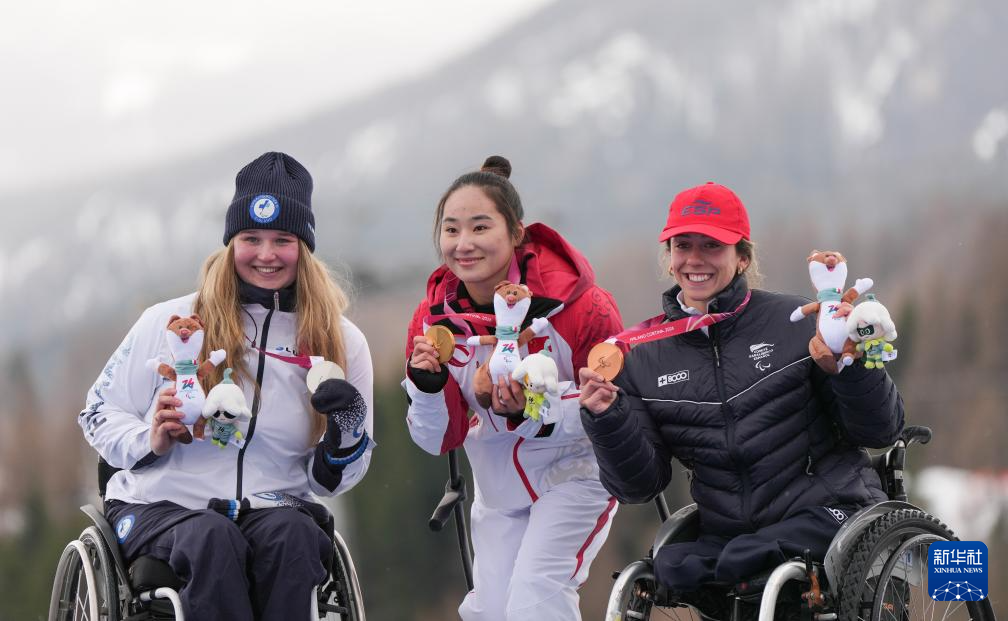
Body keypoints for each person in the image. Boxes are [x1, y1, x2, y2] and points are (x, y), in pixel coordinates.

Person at [78, 152, 375, 620]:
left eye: (282, 240)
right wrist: (149, 439)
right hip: (164, 504)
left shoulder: (341, 342)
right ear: (231, 242)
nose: (266, 254)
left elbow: (333, 479)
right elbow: (96, 412)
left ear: (304, 247)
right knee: (212, 539)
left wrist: (345, 435)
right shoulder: (171, 322)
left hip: (275, 507)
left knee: (294, 538)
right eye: (251, 238)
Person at [579, 182, 904, 604]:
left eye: (712, 246)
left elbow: (880, 430)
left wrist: (848, 367)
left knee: (746, 558)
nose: (695, 259)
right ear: (669, 259)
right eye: (682, 245)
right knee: (673, 564)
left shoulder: (796, 322)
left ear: (743, 257)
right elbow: (639, 486)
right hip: (729, 534)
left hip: (826, 511)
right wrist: (608, 419)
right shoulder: (642, 357)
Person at [403, 156, 623, 620]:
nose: (464, 244)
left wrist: (532, 409)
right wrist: (428, 387)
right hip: (498, 491)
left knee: (535, 596)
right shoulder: (432, 322)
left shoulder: (582, 306)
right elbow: (437, 439)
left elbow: (612, 409)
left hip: (574, 475)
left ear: (517, 232)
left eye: (480, 228)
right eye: (451, 230)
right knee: (491, 612)